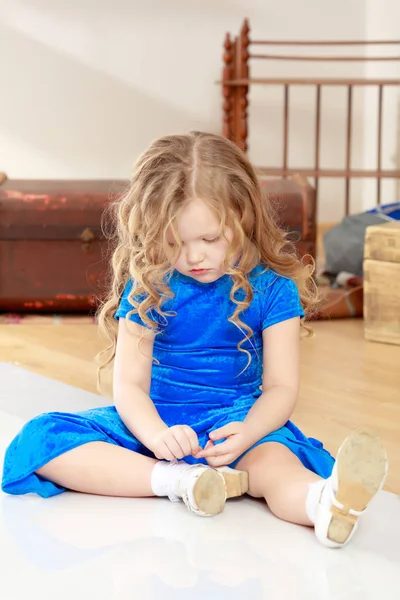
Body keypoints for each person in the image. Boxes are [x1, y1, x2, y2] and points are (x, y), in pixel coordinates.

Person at [1, 132, 387, 548]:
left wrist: (247, 431)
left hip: (240, 426)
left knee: (276, 466)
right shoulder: (149, 284)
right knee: (42, 438)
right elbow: (129, 385)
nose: (194, 257)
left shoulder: (275, 288)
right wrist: (155, 437)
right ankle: (178, 481)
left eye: (210, 239)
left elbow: (281, 387)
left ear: (245, 217)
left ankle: (324, 507)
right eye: (174, 243)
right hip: (158, 425)